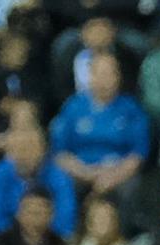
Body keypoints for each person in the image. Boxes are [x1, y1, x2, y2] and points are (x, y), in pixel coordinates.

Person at [49, 52, 151, 199]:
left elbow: (138, 154)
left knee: (133, 187)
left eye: (110, 73)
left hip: (118, 172)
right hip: (80, 171)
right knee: (60, 182)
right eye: (100, 73)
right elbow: (60, 153)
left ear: (118, 77)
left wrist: (113, 177)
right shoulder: (73, 107)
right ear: (90, 76)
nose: (105, 80)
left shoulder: (131, 109)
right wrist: (86, 173)